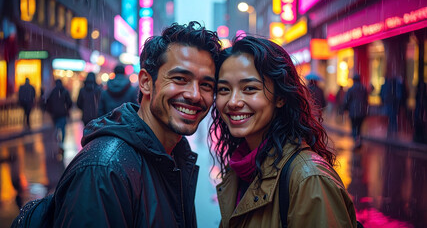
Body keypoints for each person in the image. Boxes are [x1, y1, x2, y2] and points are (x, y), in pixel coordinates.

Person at [47, 21, 221, 227]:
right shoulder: (104, 171)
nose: (195, 95)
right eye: (180, 78)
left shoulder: (175, 157)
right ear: (146, 82)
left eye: (206, 85)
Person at [209, 36, 357, 227]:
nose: (233, 101)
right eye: (223, 89)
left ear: (280, 97)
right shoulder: (242, 168)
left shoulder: (309, 179)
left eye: (249, 88)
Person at [343, 74, 369, 148]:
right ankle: (359, 139)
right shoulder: (363, 88)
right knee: (359, 127)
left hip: (353, 111)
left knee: (354, 126)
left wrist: (344, 109)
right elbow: (366, 100)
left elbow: (346, 100)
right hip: (362, 111)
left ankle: (356, 140)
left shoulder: (351, 89)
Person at [46, 79, 72, 146]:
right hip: (63, 113)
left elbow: (48, 103)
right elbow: (69, 102)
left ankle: (57, 141)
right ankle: (62, 143)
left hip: (55, 114)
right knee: (63, 129)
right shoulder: (65, 91)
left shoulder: (53, 92)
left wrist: (51, 111)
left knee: (56, 128)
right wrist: (67, 109)